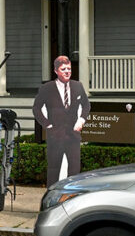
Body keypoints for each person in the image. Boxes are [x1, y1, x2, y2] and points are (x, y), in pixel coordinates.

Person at [32, 55, 91, 187]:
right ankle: (52, 197)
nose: (67, 71)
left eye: (69, 69)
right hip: (55, 135)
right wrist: (48, 125)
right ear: (56, 71)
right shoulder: (47, 88)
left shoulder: (77, 86)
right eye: (63, 69)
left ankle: (72, 197)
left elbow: (86, 105)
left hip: (73, 135)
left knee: (75, 170)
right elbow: (36, 108)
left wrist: (81, 120)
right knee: (54, 170)